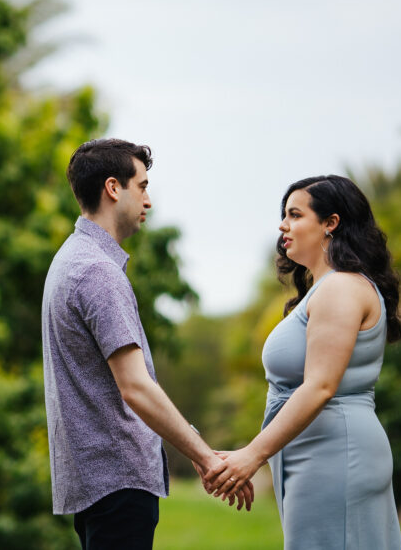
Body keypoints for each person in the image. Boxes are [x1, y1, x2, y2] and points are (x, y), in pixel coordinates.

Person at [42, 138, 252, 550]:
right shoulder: (97, 272)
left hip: (96, 484)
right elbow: (135, 386)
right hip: (118, 484)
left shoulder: (70, 259)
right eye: (142, 186)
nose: (148, 200)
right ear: (113, 188)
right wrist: (206, 456)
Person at [206, 175, 401, 549]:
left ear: (331, 222)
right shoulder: (328, 288)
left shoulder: (341, 288)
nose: (283, 225)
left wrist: (253, 455)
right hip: (316, 453)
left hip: (334, 454)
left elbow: (320, 386)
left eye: (295, 215)